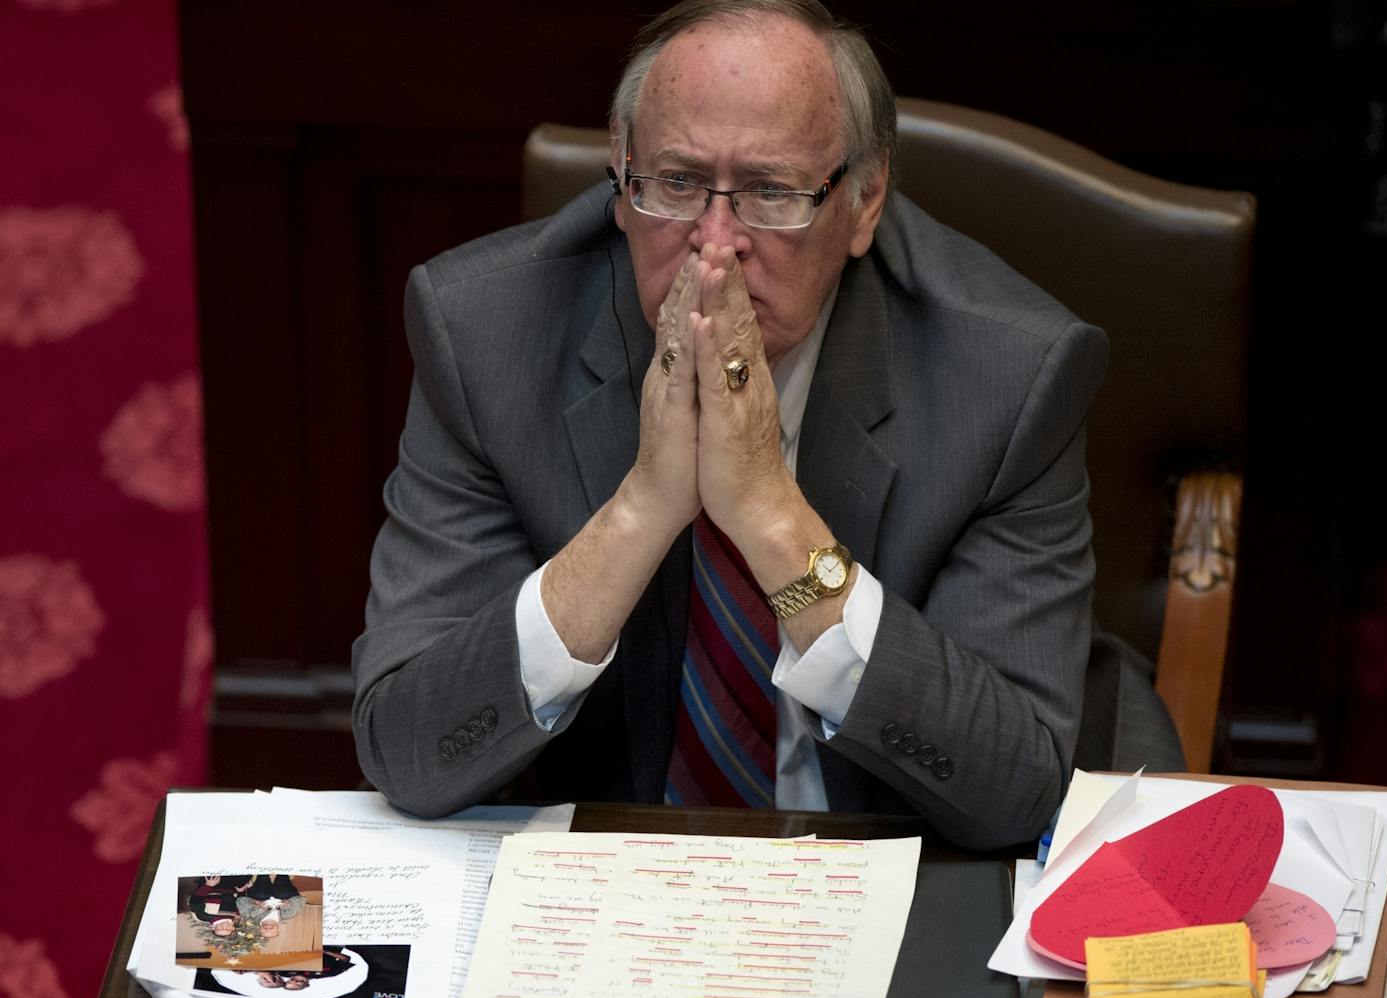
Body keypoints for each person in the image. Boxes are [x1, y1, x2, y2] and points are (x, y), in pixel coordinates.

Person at [353, 0, 1145, 849]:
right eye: (678, 184)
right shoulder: (485, 333)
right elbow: (407, 750)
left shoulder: (1010, 375)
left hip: (888, 864)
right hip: (602, 894)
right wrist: (641, 511)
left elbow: (1012, 791)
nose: (715, 246)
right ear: (621, 178)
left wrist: (772, 515)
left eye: (771, 193)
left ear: (864, 201)